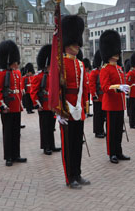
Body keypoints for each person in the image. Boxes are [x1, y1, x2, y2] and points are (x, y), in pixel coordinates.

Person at [55, 15, 90, 189]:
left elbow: (84, 88)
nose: (77, 46)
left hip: (78, 108)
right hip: (67, 109)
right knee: (68, 145)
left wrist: (84, 107)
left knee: (77, 144)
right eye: (74, 43)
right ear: (68, 43)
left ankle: (77, 173)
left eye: (78, 43)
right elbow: (54, 89)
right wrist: (59, 111)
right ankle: (69, 177)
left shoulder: (81, 65)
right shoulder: (59, 63)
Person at [0, 40, 27, 166]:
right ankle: (8, 156)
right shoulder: (1, 74)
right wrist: (2, 105)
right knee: (7, 133)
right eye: (15, 62)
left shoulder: (17, 73)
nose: (17, 64)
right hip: (7, 107)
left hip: (16, 107)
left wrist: (20, 105)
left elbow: (18, 90)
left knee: (16, 132)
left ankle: (16, 154)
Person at [99, 30, 130, 164]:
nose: (117, 54)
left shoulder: (119, 68)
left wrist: (124, 89)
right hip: (111, 104)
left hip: (119, 103)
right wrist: (118, 88)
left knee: (118, 130)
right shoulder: (105, 69)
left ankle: (118, 151)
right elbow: (105, 87)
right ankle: (112, 153)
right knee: (111, 131)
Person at [31, 44, 60, 155]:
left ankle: (51, 145)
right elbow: (33, 91)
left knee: (52, 127)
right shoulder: (39, 76)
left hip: (52, 105)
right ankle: (45, 146)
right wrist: (37, 104)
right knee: (45, 127)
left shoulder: (53, 75)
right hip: (43, 105)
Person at [89, 50, 105, 138]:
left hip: (103, 97)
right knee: (98, 115)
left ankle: (102, 129)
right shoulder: (94, 72)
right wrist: (94, 96)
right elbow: (92, 85)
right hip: (97, 97)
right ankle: (97, 131)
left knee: (102, 116)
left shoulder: (102, 71)